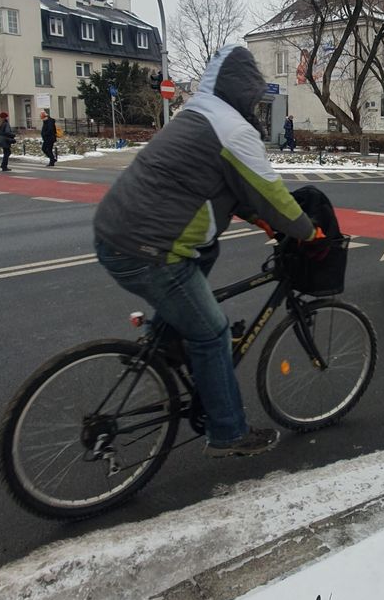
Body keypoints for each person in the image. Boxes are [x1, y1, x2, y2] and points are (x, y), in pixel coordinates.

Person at [94, 45, 319, 458]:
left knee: (205, 252)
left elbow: (227, 186)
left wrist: (259, 217)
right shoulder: (234, 130)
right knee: (213, 332)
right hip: (149, 250)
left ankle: (167, 341)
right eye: (252, 98)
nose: (254, 105)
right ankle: (229, 433)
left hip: (114, 232)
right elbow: (270, 193)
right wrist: (307, 230)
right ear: (241, 93)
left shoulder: (197, 115)